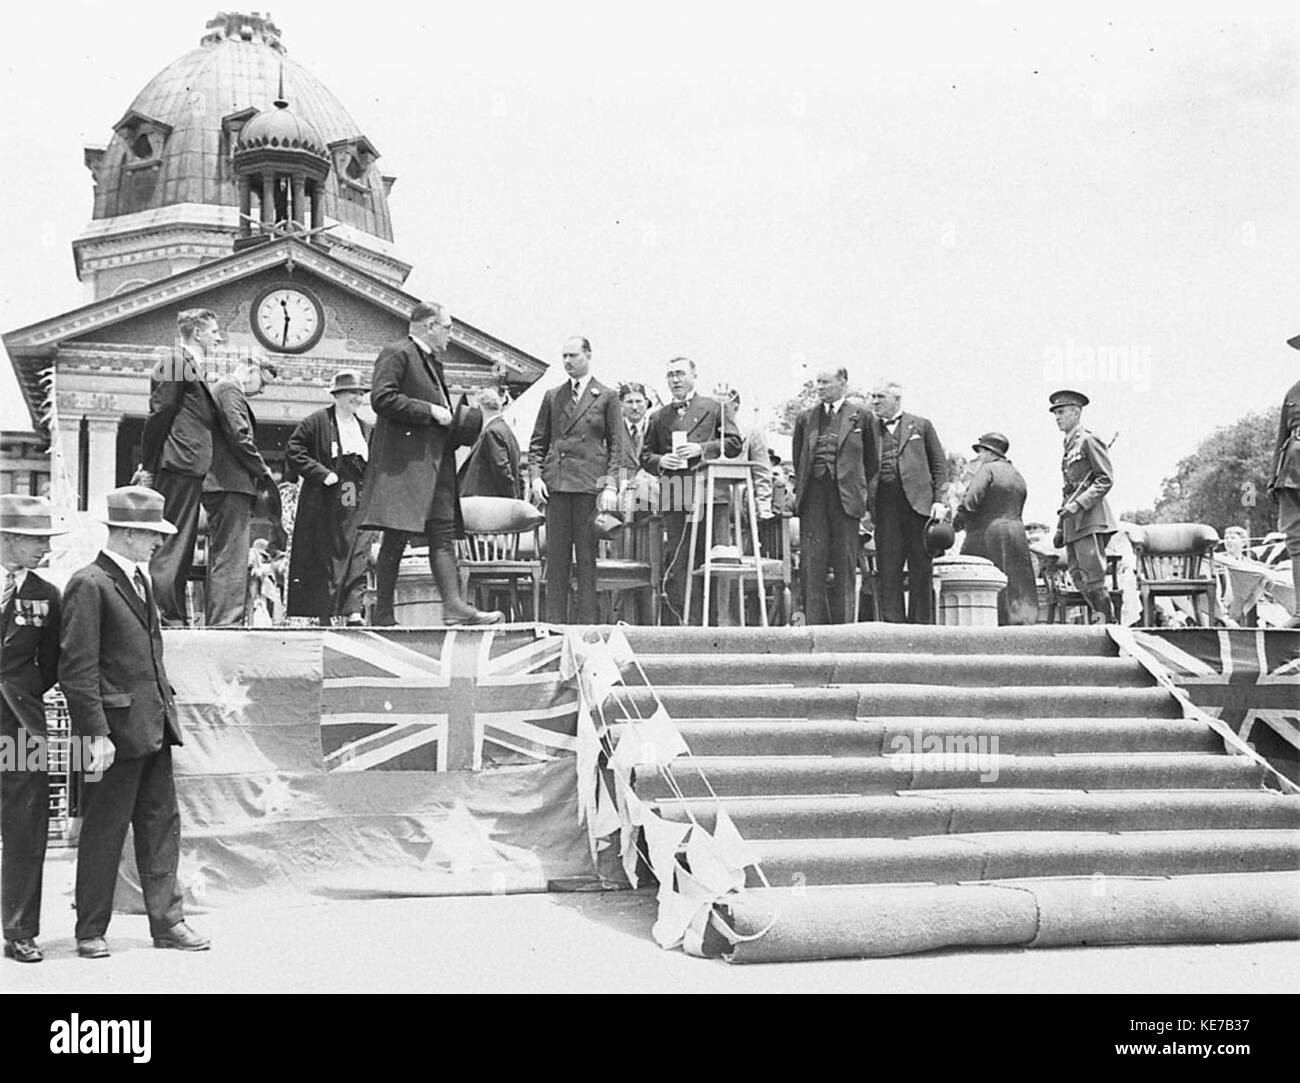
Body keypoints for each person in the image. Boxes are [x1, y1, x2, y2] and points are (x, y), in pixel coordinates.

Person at [59, 486, 209, 958]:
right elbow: (76, 668)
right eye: (149, 535)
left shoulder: (139, 582)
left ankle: (168, 923)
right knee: (104, 831)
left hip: (152, 727)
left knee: (160, 827)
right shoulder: (89, 583)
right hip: (113, 735)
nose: (156, 544)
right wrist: (96, 733)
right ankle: (90, 930)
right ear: (125, 532)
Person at [359, 301, 502, 627]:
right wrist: (430, 411)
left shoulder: (432, 363)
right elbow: (381, 398)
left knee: (442, 534)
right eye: (448, 327)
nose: (451, 335)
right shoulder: (398, 353)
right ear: (428, 326)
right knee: (396, 537)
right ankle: (382, 614)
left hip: (435, 466)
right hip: (405, 467)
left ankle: (454, 607)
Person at [0, 495, 65, 964]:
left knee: (25, 827)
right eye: (34, 539)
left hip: (22, 727)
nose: (44, 547)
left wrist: (21, 693)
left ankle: (21, 930)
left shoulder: (47, 594)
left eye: (45, 539)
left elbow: (53, 665)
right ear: (6, 539)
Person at [528, 337, 623, 624]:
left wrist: (610, 485)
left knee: (586, 561)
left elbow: (618, 446)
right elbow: (537, 444)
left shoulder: (606, 396)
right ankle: (553, 625)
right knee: (555, 561)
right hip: (556, 487)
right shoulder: (552, 395)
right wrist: (535, 477)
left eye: (572, 355)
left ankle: (587, 627)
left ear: (588, 356)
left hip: (587, 487)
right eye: (563, 356)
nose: (567, 361)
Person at [641, 357, 741, 624]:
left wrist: (702, 450)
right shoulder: (659, 416)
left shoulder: (714, 407)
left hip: (710, 494)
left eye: (680, 374)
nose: (675, 380)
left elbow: (734, 443)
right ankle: (690, 625)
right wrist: (660, 461)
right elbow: (645, 456)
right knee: (682, 563)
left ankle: (721, 628)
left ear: (694, 376)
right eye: (671, 375)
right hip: (676, 492)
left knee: (715, 562)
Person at [139, 308, 223, 624]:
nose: (218, 337)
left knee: (181, 539)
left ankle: (169, 611)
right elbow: (160, 414)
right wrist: (149, 465)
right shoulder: (174, 362)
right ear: (197, 333)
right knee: (173, 538)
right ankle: (164, 612)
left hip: (186, 463)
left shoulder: (187, 365)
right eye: (214, 331)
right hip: (178, 462)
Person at [285, 369, 374, 624]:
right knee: (327, 550)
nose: (357, 398)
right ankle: (326, 610)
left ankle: (353, 609)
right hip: (324, 496)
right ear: (337, 396)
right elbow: (294, 451)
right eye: (351, 394)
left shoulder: (365, 429)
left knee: (354, 542)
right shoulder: (317, 421)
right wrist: (321, 473)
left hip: (350, 490)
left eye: (359, 393)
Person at [792, 368, 879, 624]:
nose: (820, 387)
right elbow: (800, 460)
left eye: (826, 382)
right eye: (818, 382)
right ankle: (814, 627)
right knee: (812, 565)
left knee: (845, 565)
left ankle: (843, 629)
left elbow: (871, 460)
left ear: (843, 383)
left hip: (846, 499)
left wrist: (854, 485)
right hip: (814, 498)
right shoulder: (805, 418)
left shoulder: (862, 416)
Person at [203, 356, 277, 626]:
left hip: (226, 484)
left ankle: (224, 619)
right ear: (250, 369)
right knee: (232, 557)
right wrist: (263, 470)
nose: (261, 391)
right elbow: (240, 435)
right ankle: (226, 622)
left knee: (227, 555)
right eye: (262, 382)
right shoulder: (229, 389)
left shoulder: (223, 390)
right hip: (229, 484)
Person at [867, 379, 948, 623]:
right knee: (888, 567)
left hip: (918, 508)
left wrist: (940, 500)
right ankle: (893, 626)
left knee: (920, 568)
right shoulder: (869, 429)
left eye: (880, 397)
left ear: (896, 400)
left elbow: (940, 467)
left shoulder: (921, 426)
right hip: (884, 508)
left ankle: (922, 626)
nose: (874, 402)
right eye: (873, 397)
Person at [953, 432, 1038, 625]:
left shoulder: (987, 469)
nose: (979, 456)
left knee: (978, 581)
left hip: (987, 533)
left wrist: (956, 524)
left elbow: (970, 502)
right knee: (1017, 584)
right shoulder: (1017, 474)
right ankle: (1021, 623)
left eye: (981, 451)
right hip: (1017, 533)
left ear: (990, 452)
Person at [1049, 389, 1118, 623]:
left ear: (1076, 413)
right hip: (1072, 522)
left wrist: (1078, 505)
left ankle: (1108, 627)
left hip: (1091, 519)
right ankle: (1102, 622)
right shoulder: (1068, 446)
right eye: (1055, 413)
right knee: (1078, 578)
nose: (1057, 417)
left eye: (1061, 412)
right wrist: (1060, 527)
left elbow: (1105, 479)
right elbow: (1068, 489)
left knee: (1093, 579)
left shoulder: (1089, 440)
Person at [1269, 335, 1300, 627]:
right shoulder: (1292, 392)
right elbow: (1281, 437)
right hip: (1291, 474)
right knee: (1295, 538)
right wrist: (1273, 480)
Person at [458, 386, 522, 499]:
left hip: (488, 504)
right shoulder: (506, 431)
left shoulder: (491, 432)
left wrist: (511, 498)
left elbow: (502, 470)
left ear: (478, 407)